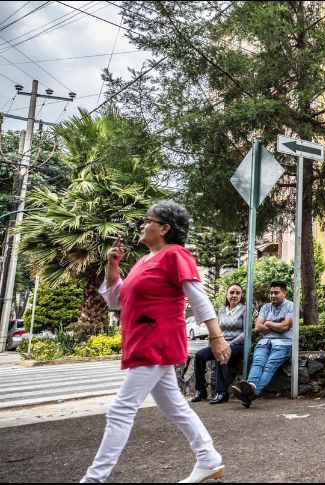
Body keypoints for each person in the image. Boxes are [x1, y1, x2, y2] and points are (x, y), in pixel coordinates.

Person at [82, 200, 228, 483]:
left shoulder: (176, 255)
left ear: (164, 228)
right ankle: (209, 459)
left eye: (147, 220)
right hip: (141, 340)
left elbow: (199, 298)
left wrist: (216, 336)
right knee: (173, 404)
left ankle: (93, 479)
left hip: (156, 340)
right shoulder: (143, 261)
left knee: (121, 410)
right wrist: (113, 267)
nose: (142, 225)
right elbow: (115, 299)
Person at [229, 281, 293, 409]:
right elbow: (258, 327)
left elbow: (286, 326)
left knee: (269, 366)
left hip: (284, 343)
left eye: (276, 293)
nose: (273, 295)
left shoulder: (291, 306)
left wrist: (268, 323)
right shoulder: (265, 307)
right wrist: (276, 324)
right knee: (258, 363)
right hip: (264, 342)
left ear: (284, 293)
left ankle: (249, 393)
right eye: (271, 293)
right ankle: (251, 389)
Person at [191, 283, 247, 404]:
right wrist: (216, 342)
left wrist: (228, 344)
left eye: (238, 293)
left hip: (238, 345)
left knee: (220, 353)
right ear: (227, 294)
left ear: (241, 295)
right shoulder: (222, 310)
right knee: (200, 355)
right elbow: (216, 330)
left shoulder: (245, 309)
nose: (234, 295)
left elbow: (246, 333)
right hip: (222, 343)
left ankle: (222, 392)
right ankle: (200, 390)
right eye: (231, 292)